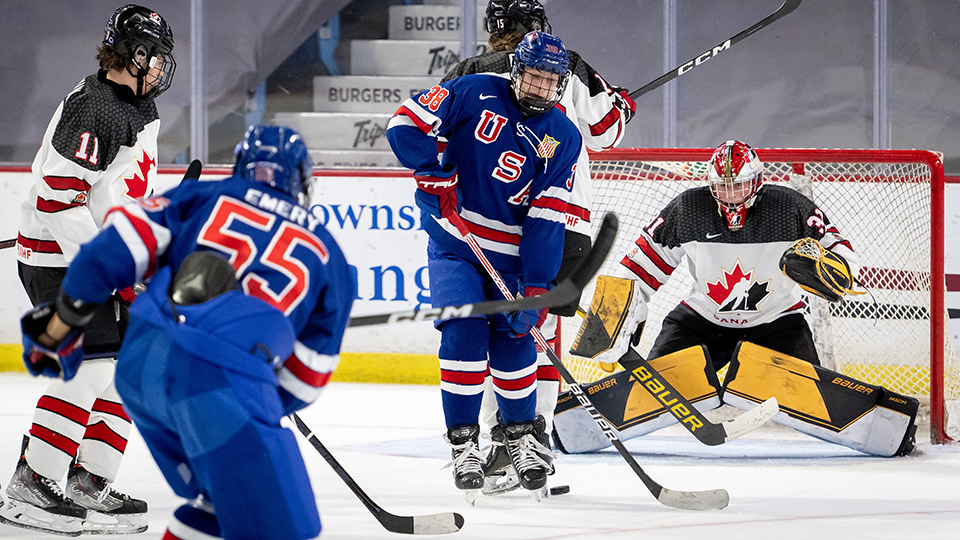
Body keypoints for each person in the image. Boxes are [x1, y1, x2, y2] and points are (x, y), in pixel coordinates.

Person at [16, 124, 355, 539]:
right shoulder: (330, 257)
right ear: (303, 182)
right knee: (287, 526)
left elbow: (106, 252)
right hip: (220, 389)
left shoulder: (204, 196)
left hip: (140, 370)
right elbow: (306, 380)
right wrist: (252, 404)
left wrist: (60, 324)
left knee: (220, 502)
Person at [559, 139, 918, 457]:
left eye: (740, 185)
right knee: (648, 393)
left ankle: (887, 428)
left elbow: (841, 253)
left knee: (817, 400)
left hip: (776, 322)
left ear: (758, 181)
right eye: (723, 186)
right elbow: (640, 267)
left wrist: (834, 268)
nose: (731, 194)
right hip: (703, 321)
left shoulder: (789, 207)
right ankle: (568, 428)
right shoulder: (688, 209)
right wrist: (611, 320)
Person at [441, 0, 636, 495]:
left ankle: (495, 442)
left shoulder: (468, 72)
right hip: (564, 218)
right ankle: (532, 436)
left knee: (484, 332)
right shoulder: (567, 63)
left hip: (492, 221)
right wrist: (623, 105)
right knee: (534, 328)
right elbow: (607, 132)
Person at [2, 4, 175, 534]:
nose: (164, 70)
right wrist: (109, 265)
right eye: (158, 58)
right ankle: (31, 485)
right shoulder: (94, 108)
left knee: (126, 375)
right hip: (59, 261)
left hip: (97, 258)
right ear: (135, 54)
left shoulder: (136, 108)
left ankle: (86, 482)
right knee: (91, 369)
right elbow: (57, 202)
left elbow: (114, 193)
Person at [386, 31, 582, 495]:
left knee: (515, 336)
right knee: (464, 330)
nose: (539, 88)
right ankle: (463, 444)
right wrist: (430, 171)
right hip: (455, 242)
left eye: (550, 81)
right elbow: (402, 124)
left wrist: (536, 287)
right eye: (533, 76)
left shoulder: (564, 135)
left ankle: (519, 437)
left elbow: (547, 218)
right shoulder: (473, 91)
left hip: (513, 256)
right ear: (517, 70)